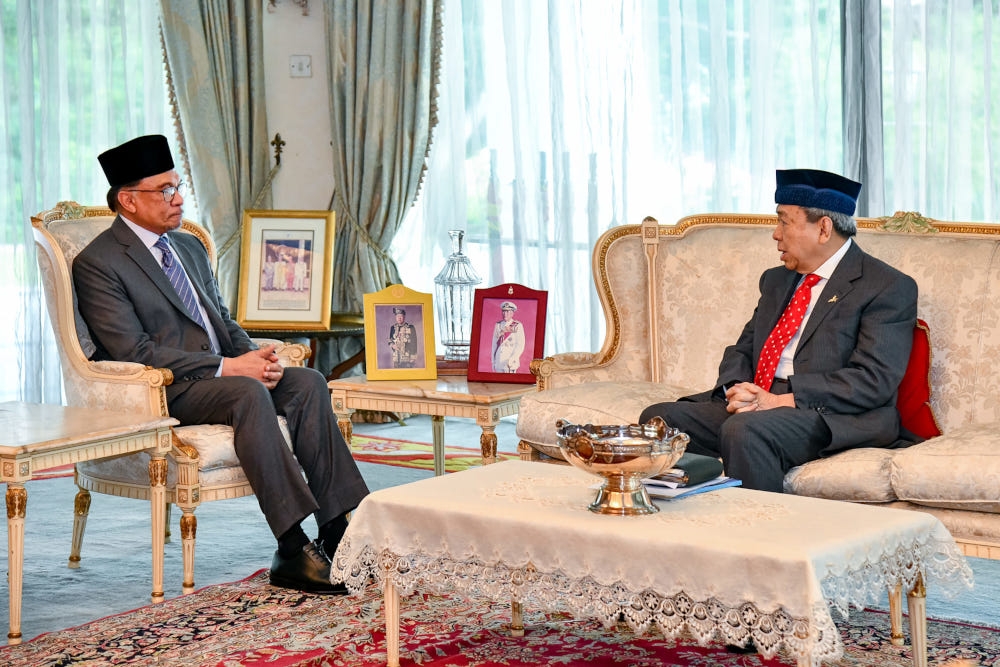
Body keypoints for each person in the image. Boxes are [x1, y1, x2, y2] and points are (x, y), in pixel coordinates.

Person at [73, 134, 369, 595]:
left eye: (178, 186)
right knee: (247, 391)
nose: (178, 199)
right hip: (167, 387)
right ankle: (291, 547)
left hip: (225, 375)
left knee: (309, 381)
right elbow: (134, 351)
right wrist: (230, 369)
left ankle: (339, 530)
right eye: (164, 191)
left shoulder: (187, 247)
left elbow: (222, 320)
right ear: (127, 200)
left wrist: (257, 357)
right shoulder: (99, 262)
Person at [639, 168, 918, 494]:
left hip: (827, 414)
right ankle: (695, 526)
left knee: (745, 431)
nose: (775, 233)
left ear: (824, 228)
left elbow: (873, 381)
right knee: (659, 420)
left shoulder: (886, 286)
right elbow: (743, 348)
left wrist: (781, 400)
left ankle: (757, 537)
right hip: (759, 402)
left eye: (784, 221)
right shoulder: (777, 280)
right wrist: (737, 390)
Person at [491, 301, 525, 373]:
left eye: (507, 311)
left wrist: (512, 359)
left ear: (512, 313)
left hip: (510, 362)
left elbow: (520, 345)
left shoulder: (517, 325)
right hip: (498, 361)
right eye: (503, 311)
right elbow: (494, 344)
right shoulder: (498, 325)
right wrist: (493, 361)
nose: (504, 314)